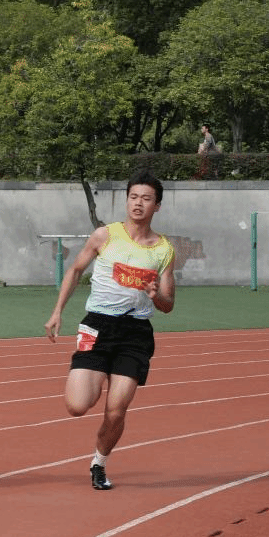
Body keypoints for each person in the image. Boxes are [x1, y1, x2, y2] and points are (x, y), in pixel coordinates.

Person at [44, 169, 176, 491]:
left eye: (146, 199)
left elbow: (168, 303)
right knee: (77, 406)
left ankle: (99, 463)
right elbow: (75, 270)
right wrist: (57, 311)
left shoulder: (164, 250)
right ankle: (96, 372)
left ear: (157, 205)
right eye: (133, 197)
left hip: (135, 333)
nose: (138, 203)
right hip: (98, 325)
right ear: (126, 200)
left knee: (116, 411)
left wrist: (155, 295)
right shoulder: (105, 235)